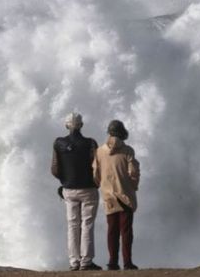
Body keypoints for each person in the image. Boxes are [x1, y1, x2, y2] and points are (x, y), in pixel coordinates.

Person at [51, 112, 102, 271]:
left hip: (69, 189)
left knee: (72, 225)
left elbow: (54, 168)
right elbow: (97, 167)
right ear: (81, 125)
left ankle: (74, 262)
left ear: (67, 125)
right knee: (87, 224)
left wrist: (64, 181)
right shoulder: (91, 143)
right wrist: (96, 183)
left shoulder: (58, 143)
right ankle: (86, 262)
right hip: (88, 189)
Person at [93, 120, 140, 271]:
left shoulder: (100, 151)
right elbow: (133, 172)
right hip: (125, 194)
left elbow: (95, 173)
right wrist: (133, 186)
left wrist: (103, 185)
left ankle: (112, 262)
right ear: (122, 132)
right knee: (126, 231)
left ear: (109, 132)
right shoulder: (128, 150)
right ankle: (127, 262)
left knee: (112, 229)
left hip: (108, 195)